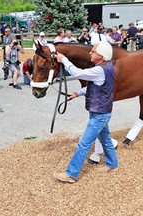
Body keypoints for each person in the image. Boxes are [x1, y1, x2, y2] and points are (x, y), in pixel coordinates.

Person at [53, 41, 119, 183]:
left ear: (100, 55)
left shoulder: (99, 70)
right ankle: (113, 164)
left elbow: (78, 73)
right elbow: (97, 86)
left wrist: (63, 59)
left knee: (83, 143)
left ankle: (71, 174)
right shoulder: (107, 67)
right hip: (103, 112)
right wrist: (78, 92)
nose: (90, 53)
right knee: (106, 140)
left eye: (93, 51)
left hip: (99, 114)